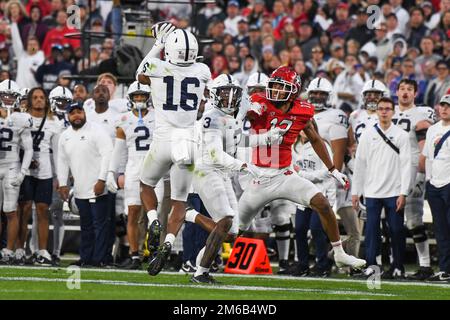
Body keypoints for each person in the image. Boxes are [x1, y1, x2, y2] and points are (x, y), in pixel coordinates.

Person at [238, 66, 366, 271]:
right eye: (275, 86)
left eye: (282, 87)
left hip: (285, 174)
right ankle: (202, 263)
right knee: (232, 230)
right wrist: (244, 112)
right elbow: (238, 133)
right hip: (259, 176)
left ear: (294, 91)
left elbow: (315, 139)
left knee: (322, 204)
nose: (275, 91)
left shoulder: (303, 109)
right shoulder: (260, 103)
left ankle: (340, 254)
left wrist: (333, 169)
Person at [136, 23, 211, 276]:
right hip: (188, 141)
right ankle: (167, 243)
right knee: (180, 202)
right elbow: (210, 94)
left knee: (146, 185)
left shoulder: (158, 66)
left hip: (163, 138)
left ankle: (154, 220)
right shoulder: (202, 70)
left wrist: (158, 42)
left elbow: (140, 75)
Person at [352, 97, 411, 279]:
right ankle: (372, 267)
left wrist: (404, 192)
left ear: (393, 112)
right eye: (381, 109)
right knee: (371, 232)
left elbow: (406, 165)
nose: (384, 112)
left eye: (387, 109)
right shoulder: (368, 135)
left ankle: (398, 267)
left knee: (396, 230)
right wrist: (356, 191)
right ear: (377, 111)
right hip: (372, 191)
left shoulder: (402, 135)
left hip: (394, 191)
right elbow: (360, 164)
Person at [106, 81, 155, 270]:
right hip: (133, 168)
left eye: (143, 95)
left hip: (154, 168)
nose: (140, 99)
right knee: (133, 213)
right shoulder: (124, 120)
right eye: (137, 96)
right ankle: (134, 255)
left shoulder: (158, 117)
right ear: (131, 98)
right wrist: (112, 172)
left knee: (154, 215)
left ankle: (155, 253)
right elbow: (118, 152)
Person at [57, 102, 113, 267]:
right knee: (86, 226)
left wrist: (102, 180)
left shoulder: (97, 131)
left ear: (84, 112)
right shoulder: (65, 136)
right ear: (68, 116)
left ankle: (100, 258)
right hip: (80, 189)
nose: (76, 115)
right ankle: (86, 258)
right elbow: (62, 161)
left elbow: (108, 153)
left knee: (101, 226)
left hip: (98, 188)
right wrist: (62, 183)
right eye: (72, 113)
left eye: (79, 111)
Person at [393, 79, 436, 281]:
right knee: (390, 220)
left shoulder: (423, 113)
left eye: (409, 89)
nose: (405, 93)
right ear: (397, 91)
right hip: (389, 170)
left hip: (411, 169)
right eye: (402, 89)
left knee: (414, 220)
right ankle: (394, 264)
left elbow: (425, 146)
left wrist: (420, 174)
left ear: (415, 93)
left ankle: (425, 265)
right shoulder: (388, 110)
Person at [16, 87, 61, 266]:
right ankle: (20, 249)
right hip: (24, 170)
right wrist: (24, 161)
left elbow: (57, 152)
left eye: (42, 97)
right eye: (35, 97)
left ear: (47, 100)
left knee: (43, 211)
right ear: (29, 100)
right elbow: (16, 145)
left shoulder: (54, 121)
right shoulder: (21, 119)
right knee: (24, 210)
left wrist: (59, 177)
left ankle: (42, 251)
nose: (39, 100)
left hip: (45, 171)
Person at [292, 126, 336, 277]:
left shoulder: (322, 145)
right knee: (299, 229)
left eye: (307, 126)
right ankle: (302, 265)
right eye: (302, 126)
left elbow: (328, 171)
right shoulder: (294, 145)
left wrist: (303, 175)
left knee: (317, 229)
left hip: (320, 194)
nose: (303, 129)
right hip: (301, 195)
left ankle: (323, 265)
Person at [0, 79, 33, 264]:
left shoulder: (22, 118)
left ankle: (9, 250)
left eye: (11, 96)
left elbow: (28, 149)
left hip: (12, 165)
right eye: (5, 95)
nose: (8, 98)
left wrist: (23, 172)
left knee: (10, 211)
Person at [421, 94, 450, 282]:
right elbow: (426, 158)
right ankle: (445, 269)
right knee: (440, 229)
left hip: (449, 183)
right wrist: (429, 180)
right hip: (434, 185)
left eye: (448, 106)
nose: (445, 108)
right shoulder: (432, 130)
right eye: (443, 105)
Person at [48, 85, 73, 265]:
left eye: (66, 102)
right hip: (45, 171)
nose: (62, 105)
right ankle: (36, 251)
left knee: (57, 214)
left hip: (65, 173)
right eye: (59, 102)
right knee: (39, 212)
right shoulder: (45, 120)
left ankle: (56, 253)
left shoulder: (73, 122)